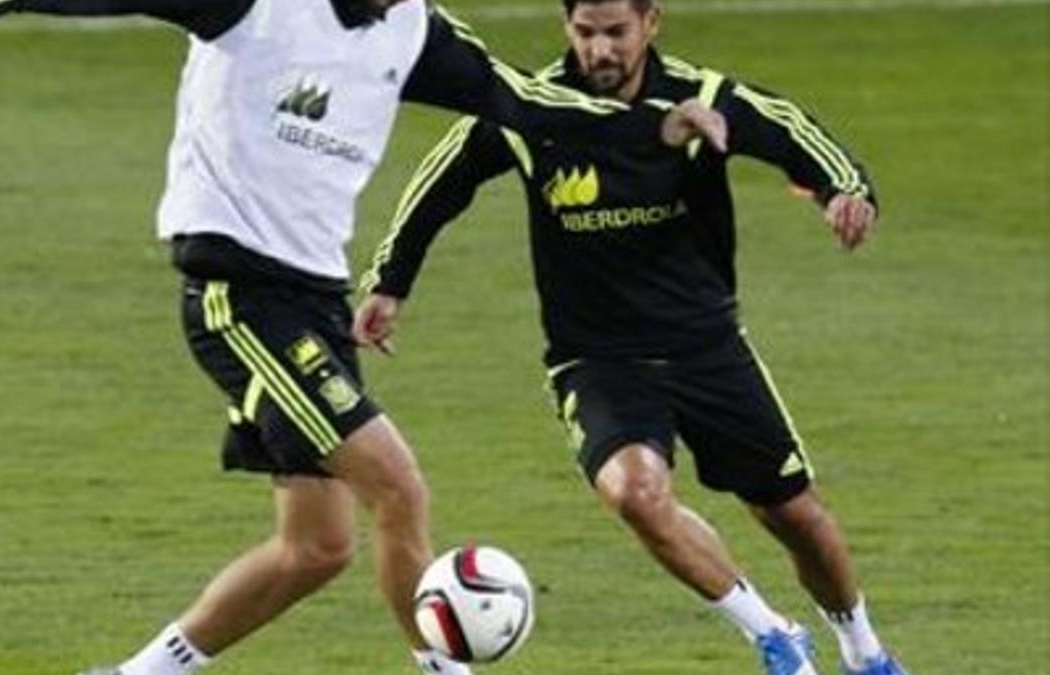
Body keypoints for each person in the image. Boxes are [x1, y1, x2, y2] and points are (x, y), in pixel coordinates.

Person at [0, 0, 727, 673]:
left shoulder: (412, 28)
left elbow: (523, 101)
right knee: (398, 485)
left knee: (316, 547)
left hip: (316, 300)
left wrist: (652, 128)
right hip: (238, 295)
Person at [354, 1, 911, 674]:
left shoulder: (700, 99)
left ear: (652, 23)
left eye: (616, 32)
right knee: (635, 493)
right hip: (596, 360)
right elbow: (441, 180)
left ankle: (864, 649)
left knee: (795, 517)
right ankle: (772, 633)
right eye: (585, 33)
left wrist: (845, 189)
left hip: (707, 347)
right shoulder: (534, 109)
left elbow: (793, 132)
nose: (600, 50)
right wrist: (390, 279)